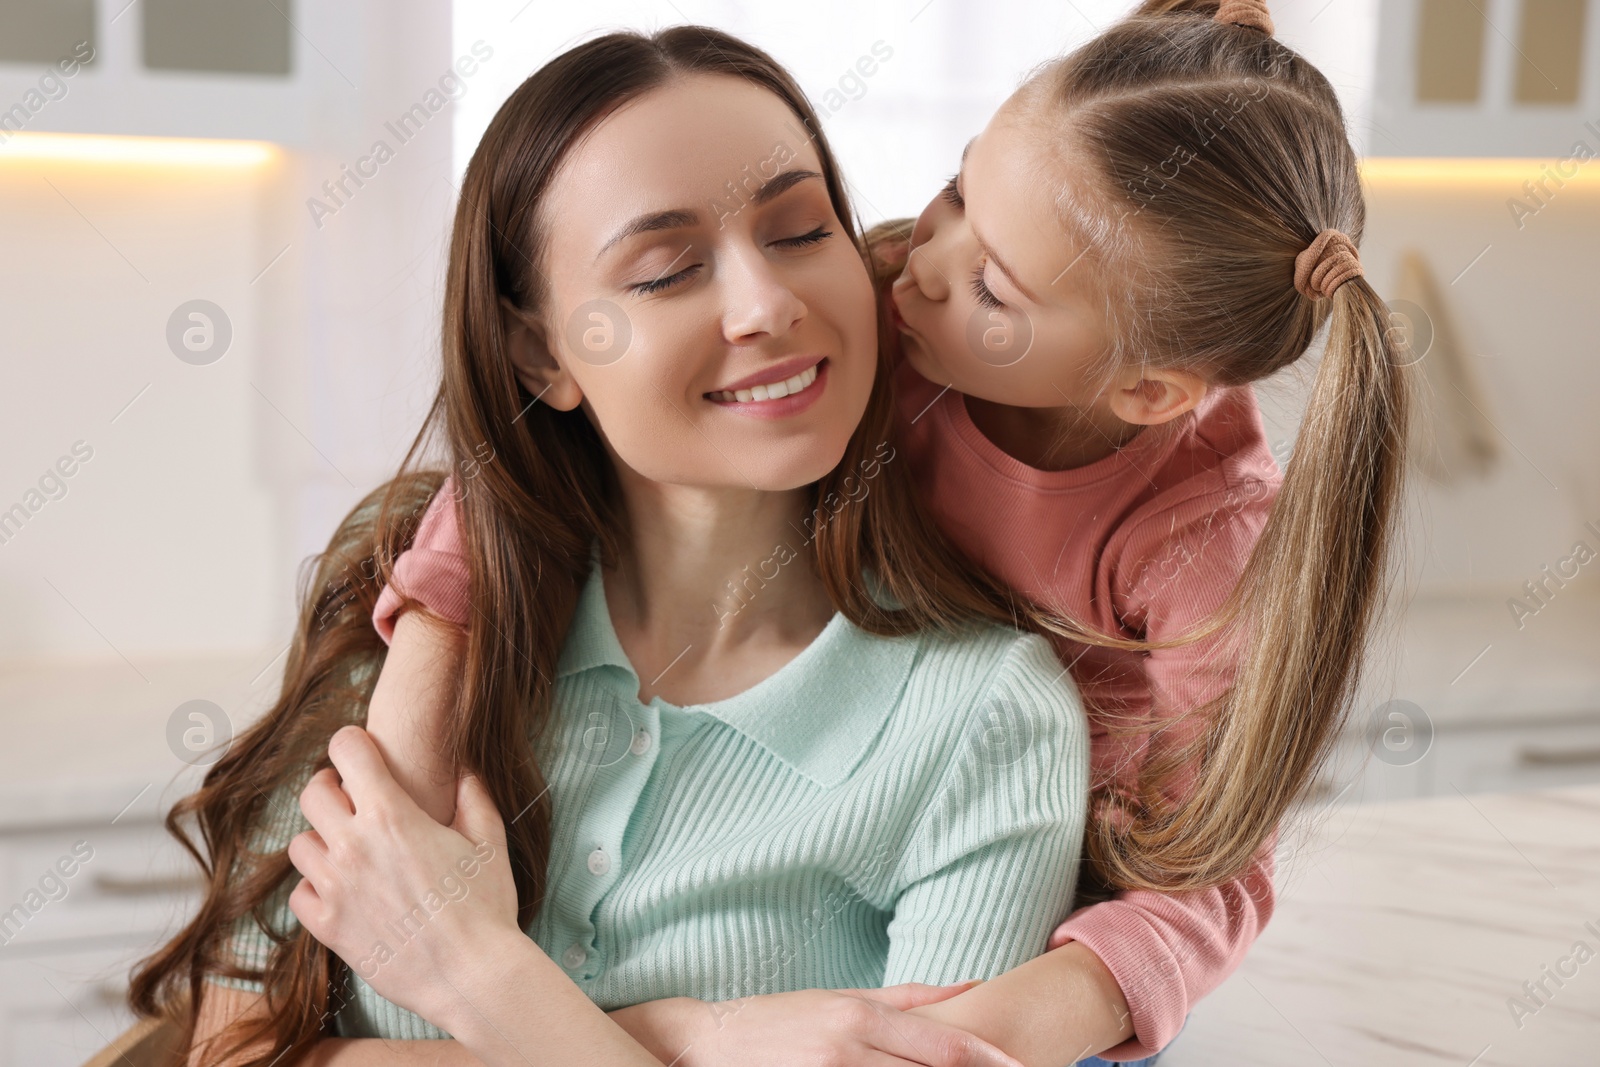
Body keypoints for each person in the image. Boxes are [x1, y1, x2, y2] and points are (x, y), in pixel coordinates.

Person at [365, 0, 1412, 1063]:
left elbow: (1208, 866)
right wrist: (423, 674)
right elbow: (514, 473)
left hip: (1050, 948)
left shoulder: (1198, 548)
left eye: (992, 284)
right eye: (956, 189)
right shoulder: (891, 307)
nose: (922, 260)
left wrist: (954, 1037)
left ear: (1143, 389)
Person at [128, 25, 1094, 1067]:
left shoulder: (985, 717)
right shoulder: (409, 607)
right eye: (669, 269)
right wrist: (693, 1040)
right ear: (543, 352)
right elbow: (234, 1049)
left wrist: (478, 973)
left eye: (801, 231)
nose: (768, 303)